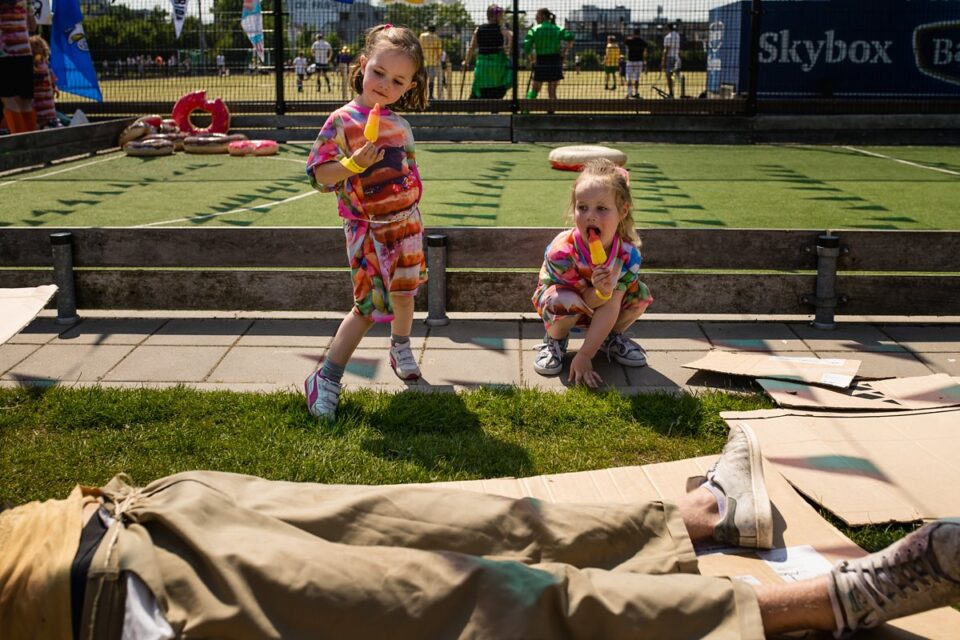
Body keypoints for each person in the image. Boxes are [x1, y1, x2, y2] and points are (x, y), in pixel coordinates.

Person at [3, 423, 959, 638]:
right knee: (457, 602)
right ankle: (814, 604)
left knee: (433, 517)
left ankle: (694, 517)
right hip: (114, 608)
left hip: (122, 510)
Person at [302, 24, 428, 421]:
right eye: (379, 73)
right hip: (366, 229)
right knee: (368, 307)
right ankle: (326, 377)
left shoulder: (400, 125)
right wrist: (353, 165)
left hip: (406, 225)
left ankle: (401, 346)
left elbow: (409, 170)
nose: (385, 84)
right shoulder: (341, 122)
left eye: (397, 80)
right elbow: (319, 175)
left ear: (408, 87)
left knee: (406, 293)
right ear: (362, 65)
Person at [532, 158, 652, 385]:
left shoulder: (626, 256)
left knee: (640, 295)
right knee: (562, 298)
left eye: (602, 208)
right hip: (565, 309)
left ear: (623, 211)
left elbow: (611, 305)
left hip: (603, 310)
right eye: (582, 207)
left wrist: (586, 354)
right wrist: (598, 293)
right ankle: (555, 340)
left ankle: (608, 338)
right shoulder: (562, 253)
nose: (590, 216)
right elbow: (578, 300)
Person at [523, 8, 573, 107]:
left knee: (535, 89)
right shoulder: (558, 29)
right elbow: (570, 38)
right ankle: (552, 113)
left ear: (543, 16)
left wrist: (531, 60)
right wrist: (565, 51)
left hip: (541, 61)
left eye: (537, 15)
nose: (535, 17)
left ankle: (526, 110)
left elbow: (527, 46)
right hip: (555, 61)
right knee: (552, 90)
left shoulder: (534, 29)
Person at [0, 0, 36, 133]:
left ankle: (20, 142)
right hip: (25, 53)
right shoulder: (25, 2)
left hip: (4, 55)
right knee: (25, 102)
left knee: (9, 100)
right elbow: (33, 26)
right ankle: (31, 141)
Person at [463, 4, 512, 100]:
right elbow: (511, 36)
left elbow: (472, 47)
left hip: (482, 64)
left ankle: (470, 109)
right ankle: (495, 109)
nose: (502, 17)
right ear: (495, 16)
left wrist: (466, 61)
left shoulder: (479, 29)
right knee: (500, 85)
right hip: (497, 64)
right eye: (500, 15)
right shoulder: (500, 28)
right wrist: (508, 49)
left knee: (478, 88)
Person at [29, 35, 58, 129]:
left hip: (43, 102)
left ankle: (46, 126)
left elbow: (51, 77)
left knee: (45, 118)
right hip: (43, 104)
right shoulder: (41, 64)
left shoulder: (40, 64)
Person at [418, 24, 443, 101]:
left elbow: (419, 47)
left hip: (423, 61)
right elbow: (439, 51)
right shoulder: (437, 38)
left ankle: (420, 96)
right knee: (431, 80)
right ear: (434, 30)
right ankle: (430, 96)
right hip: (433, 61)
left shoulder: (422, 36)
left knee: (421, 79)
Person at [623, 27, 647, 99]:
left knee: (629, 78)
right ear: (640, 33)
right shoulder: (643, 42)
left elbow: (625, 40)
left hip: (630, 61)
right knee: (637, 78)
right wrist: (645, 61)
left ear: (633, 33)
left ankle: (629, 93)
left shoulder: (629, 40)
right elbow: (645, 52)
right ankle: (636, 92)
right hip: (639, 62)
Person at [661, 22, 683, 98]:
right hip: (677, 57)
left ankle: (671, 93)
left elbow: (666, 50)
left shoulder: (668, 37)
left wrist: (663, 60)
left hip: (670, 57)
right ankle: (680, 92)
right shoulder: (677, 36)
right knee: (676, 76)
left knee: (668, 76)